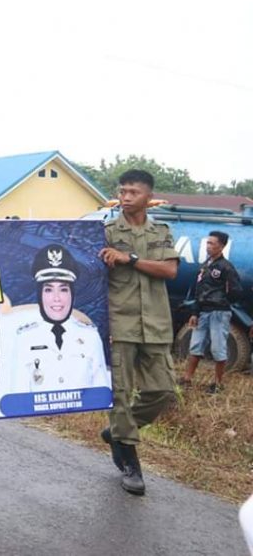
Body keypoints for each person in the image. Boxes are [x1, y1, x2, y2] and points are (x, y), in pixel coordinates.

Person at [98, 169, 179, 497]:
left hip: (156, 323)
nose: (126, 197)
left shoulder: (161, 231)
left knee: (162, 391)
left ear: (148, 197)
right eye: (122, 191)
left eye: (133, 192)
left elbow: (169, 270)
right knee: (119, 393)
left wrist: (129, 259)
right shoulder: (105, 233)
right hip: (120, 323)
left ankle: (117, 432)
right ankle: (131, 463)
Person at [8, 245, 110, 392]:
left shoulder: (90, 336)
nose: (56, 298)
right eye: (48, 290)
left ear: (72, 294)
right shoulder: (25, 338)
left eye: (63, 289)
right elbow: (19, 395)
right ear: (40, 295)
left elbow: (101, 392)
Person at [178, 230, 242, 393]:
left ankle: (217, 383)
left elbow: (236, 291)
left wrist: (222, 301)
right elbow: (199, 291)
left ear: (221, 246)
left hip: (219, 313)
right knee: (196, 345)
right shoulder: (205, 266)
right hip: (203, 312)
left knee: (218, 348)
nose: (208, 246)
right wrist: (195, 312)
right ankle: (187, 379)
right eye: (207, 243)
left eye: (212, 243)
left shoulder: (226, 267)